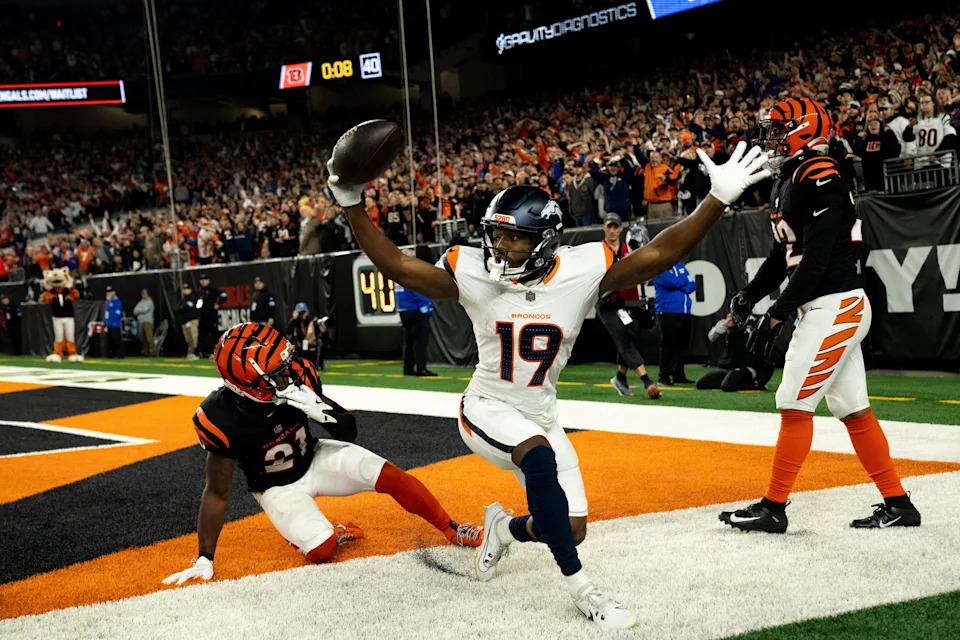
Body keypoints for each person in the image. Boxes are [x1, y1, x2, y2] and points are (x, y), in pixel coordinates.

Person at [327, 139, 770, 629]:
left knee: (571, 527)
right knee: (537, 457)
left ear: (544, 241)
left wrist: (716, 200)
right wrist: (351, 204)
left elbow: (661, 252)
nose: (499, 247)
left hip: (540, 411)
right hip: (486, 406)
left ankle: (505, 528)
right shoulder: (474, 273)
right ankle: (585, 590)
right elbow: (397, 265)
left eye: (512, 238)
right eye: (495, 236)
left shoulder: (580, 272)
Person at [720, 97, 921, 534]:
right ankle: (899, 503)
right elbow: (782, 255)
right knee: (852, 409)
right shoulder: (791, 177)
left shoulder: (820, 173)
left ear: (802, 128)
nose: (768, 139)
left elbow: (816, 261)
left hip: (837, 302)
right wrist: (749, 294)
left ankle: (773, 507)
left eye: (776, 130)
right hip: (827, 304)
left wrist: (776, 313)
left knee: (793, 402)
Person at [162, 323, 482, 586]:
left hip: (314, 456)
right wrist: (206, 557)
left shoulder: (298, 376)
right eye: (277, 373)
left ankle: (452, 529)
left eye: (286, 365)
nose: (289, 374)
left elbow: (348, 430)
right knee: (321, 549)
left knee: (391, 476)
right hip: (276, 486)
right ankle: (323, 532)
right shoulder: (219, 417)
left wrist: (319, 410)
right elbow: (216, 494)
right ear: (248, 384)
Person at [596, 214, 660, 399]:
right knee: (624, 339)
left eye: (616, 227)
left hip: (626, 303)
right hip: (607, 303)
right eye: (610, 227)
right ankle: (648, 382)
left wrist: (647, 275)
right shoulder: (600, 250)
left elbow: (641, 269)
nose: (613, 230)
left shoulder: (628, 249)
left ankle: (620, 377)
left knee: (632, 334)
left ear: (621, 228)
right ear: (604, 228)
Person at [695, 314, 773, 392]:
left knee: (727, 386)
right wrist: (725, 325)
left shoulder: (753, 322)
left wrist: (747, 329)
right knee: (701, 384)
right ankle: (732, 380)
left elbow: (757, 338)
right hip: (728, 366)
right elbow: (711, 337)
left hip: (746, 366)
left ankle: (756, 385)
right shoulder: (729, 321)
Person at [652, 261, 696, 386]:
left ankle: (679, 374)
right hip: (667, 310)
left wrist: (679, 283)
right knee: (668, 344)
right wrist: (682, 282)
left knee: (682, 345)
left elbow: (692, 284)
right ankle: (664, 376)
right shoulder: (659, 266)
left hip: (685, 311)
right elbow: (668, 282)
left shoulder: (680, 265)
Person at [395, 280, 436, 377]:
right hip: (416, 309)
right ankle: (421, 368)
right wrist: (427, 307)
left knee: (408, 340)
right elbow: (418, 290)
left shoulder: (399, 273)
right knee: (420, 340)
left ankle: (408, 368)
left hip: (403, 308)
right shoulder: (411, 273)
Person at [197, 273, 226, 358]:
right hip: (202, 316)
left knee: (214, 335)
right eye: (202, 280)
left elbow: (224, 295)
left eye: (205, 280)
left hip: (212, 316)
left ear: (208, 281)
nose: (203, 282)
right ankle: (204, 351)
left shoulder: (213, 290)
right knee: (202, 335)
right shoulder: (199, 291)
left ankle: (215, 352)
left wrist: (218, 304)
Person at [179, 281, 201, 360]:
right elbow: (180, 309)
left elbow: (188, 308)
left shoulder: (194, 297)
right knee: (188, 339)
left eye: (187, 288)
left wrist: (184, 308)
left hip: (192, 320)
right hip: (185, 321)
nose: (185, 290)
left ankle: (195, 353)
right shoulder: (183, 299)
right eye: (184, 289)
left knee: (194, 338)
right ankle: (190, 353)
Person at [133, 289, 156, 357]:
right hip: (141, 321)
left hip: (148, 321)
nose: (144, 295)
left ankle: (153, 351)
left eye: (145, 293)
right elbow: (134, 311)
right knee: (143, 338)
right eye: (143, 293)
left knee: (149, 337)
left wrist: (139, 310)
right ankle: (146, 352)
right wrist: (140, 310)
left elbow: (144, 310)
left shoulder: (149, 302)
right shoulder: (140, 302)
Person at [104, 286, 124, 359]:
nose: (108, 293)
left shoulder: (117, 301)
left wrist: (113, 321)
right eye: (107, 292)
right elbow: (106, 313)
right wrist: (105, 322)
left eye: (109, 292)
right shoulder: (107, 302)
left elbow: (118, 313)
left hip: (115, 324)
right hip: (109, 324)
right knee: (110, 340)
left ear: (113, 292)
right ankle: (111, 353)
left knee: (116, 339)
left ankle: (120, 354)